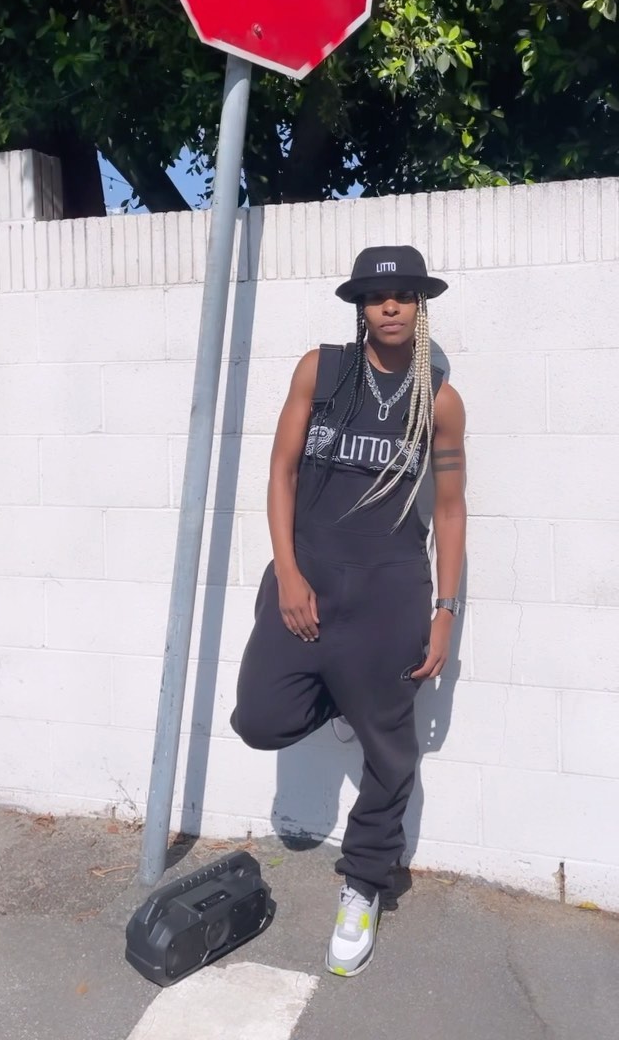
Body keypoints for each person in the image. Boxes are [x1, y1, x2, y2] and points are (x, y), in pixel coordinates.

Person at [231, 245, 467, 977]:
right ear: (360, 307)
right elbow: (281, 472)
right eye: (375, 296)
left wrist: (445, 611)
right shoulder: (321, 371)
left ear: (420, 306)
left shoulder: (440, 401)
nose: (390, 306)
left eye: (404, 295)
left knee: (390, 755)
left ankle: (364, 883)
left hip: (391, 587)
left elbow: (450, 510)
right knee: (259, 718)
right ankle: (344, 694)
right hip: (308, 577)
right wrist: (288, 571)